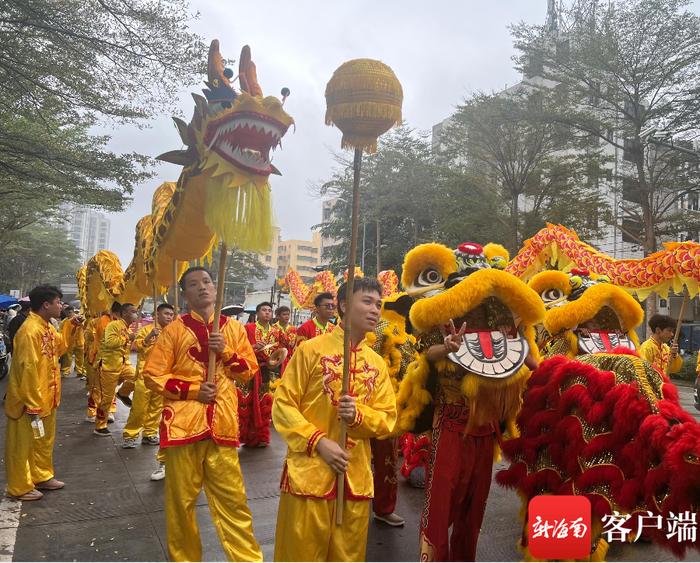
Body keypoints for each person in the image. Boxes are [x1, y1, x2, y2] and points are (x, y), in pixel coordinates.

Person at [272, 277, 397, 562]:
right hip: (309, 476)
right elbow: (283, 405)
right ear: (343, 305)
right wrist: (318, 442)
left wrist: (358, 416)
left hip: (354, 477)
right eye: (366, 301)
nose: (375, 310)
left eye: (378, 304)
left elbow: (388, 418)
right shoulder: (310, 350)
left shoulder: (376, 363)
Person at [143, 267, 262, 562]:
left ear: (216, 287)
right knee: (181, 504)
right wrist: (194, 390)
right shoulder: (174, 331)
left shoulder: (232, 329)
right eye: (194, 284)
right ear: (184, 293)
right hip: (184, 428)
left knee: (234, 501)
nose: (202, 288)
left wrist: (226, 353)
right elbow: (152, 375)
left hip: (222, 426)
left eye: (207, 282)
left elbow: (248, 372)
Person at [4, 286, 66, 501]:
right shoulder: (30, 330)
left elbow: (61, 348)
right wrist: (32, 403)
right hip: (28, 402)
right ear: (46, 304)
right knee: (22, 446)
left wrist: (73, 328)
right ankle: (19, 487)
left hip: (47, 397)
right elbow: (27, 369)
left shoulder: (47, 328)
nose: (61, 306)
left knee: (43, 441)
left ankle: (42, 475)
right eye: (58, 302)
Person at [121, 303, 176, 449]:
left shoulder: (172, 332)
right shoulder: (146, 329)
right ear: (157, 314)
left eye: (171, 314)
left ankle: (149, 433)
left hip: (163, 376)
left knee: (156, 407)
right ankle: (130, 435)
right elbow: (137, 346)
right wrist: (150, 336)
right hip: (144, 375)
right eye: (166, 314)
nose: (169, 317)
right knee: (139, 408)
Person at [239, 301, 281, 448]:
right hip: (249, 370)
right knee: (247, 402)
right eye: (264, 310)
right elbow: (239, 348)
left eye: (270, 310)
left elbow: (279, 352)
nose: (267, 313)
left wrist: (274, 361)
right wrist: (253, 347)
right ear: (257, 313)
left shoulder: (276, 332)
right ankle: (246, 436)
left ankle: (261, 437)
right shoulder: (248, 328)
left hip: (265, 370)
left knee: (263, 401)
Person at [94, 302, 138, 436]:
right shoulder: (114, 325)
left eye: (136, 311)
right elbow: (110, 342)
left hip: (124, 364)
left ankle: (123, 393)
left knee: (138, 378)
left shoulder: (128, 328)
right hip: (109, 366)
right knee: (107, 398)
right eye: (133, 311)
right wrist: (127, 338)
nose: (135, 314)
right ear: (124, 313)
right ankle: (100, 425)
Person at [59, 306, 85, 378]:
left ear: (73, 311)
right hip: (69, 342)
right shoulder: (64, 322)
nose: (69, 314)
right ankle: (66, 371)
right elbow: (61, 331)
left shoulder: (80, 318)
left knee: (80, 358)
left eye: (70, 312)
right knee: (67, 357)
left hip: (79, 341)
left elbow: (84, 327)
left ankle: (80, 371)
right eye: (67, 313)